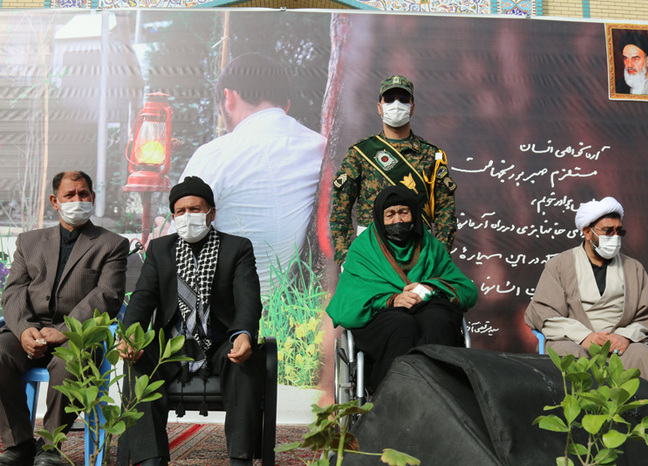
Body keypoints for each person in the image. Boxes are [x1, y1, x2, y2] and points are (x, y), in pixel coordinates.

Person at [117, 176, 263, 466]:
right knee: (138, 361)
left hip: (219, 343)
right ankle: (150, 459)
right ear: (173, 217)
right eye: (180, 211)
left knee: (245, 361)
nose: (188, 216)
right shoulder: (160, 249)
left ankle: (240, 459)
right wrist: (131, 333)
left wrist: (244, 334)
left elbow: (248, 298)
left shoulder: (237, 248)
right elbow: (143, 297)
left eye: (195, 209)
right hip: (171, 345)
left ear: (211, 213)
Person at [0, 171, 128, 466]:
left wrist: (67, 331)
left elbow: (108, 296)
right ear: (55, 201)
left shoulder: (112, 244)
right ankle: (19, 444)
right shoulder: (29, 241)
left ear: (92, 197)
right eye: (69, 195)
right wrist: (24, 330)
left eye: (83, 194)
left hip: (78, 334)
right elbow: (14, 291)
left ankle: (50, 446)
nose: (77, 200)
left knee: (70, 361)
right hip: (30, 331)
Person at [180, 52, 326, 295]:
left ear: (228, 97)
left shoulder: (215, 155)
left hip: (225, 308)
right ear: (286, 106)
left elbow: (180, 249)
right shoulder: (321, 149)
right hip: (301, 305)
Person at [326, 185, 477, 388]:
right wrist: (392, 300)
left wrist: (429, 288)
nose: (397, 220)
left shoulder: (430, 246)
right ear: (379, 218)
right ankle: (396, 394)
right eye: (390, 214)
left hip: (427, 308)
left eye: (403, 212)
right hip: (383, 316)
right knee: (402, 325)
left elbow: (466, 290)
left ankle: (440, 392)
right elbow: (347, 304)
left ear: (414, 213)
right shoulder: (363, 249)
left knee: (437, 320)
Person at [525, 196, 648, 389]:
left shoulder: (634, 268)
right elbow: (545, 313)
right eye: (608, 231)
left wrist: (625, 337)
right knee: (569, 355)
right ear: (587, 232)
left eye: (619, 231)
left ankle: (638, 409)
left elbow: (646, 316)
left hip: (619, 345)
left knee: (644, 355)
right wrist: (585, 337)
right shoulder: (559, 265)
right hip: (574, 340)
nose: (615, 237)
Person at [330, 74, 458, 265]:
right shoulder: (361, 153)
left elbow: (446, 212)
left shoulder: (431, 155)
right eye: (389, 99)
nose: (396, 104)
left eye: (403, 99)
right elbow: (340, 210)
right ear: (379, 107)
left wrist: (438, 257)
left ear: (412, 107)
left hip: (419, 255)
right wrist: (345, 256)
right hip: (371, 254)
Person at [615, 30, 648, 96]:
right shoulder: (617, 87)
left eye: (635, 59)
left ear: (647, 61)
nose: (629, 65)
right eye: (626, 58)